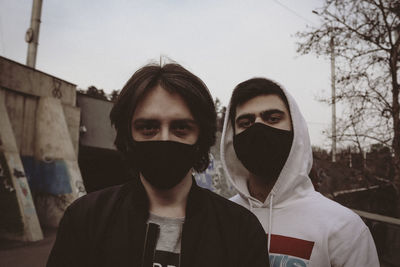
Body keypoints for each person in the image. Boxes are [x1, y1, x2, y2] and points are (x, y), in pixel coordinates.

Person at [47, 62, 269, 267]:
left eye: (180, 128)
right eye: (148, 127)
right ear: (128, 135)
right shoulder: (86, 219)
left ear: (201, 137)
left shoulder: (240, 230)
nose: (164, 139)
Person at [220, 78, 379, 267]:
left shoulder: (344, 227)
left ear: (296, 130)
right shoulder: (218, 219)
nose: (258, 128)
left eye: (273, 119)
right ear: (231, 138)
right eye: (246, 122)